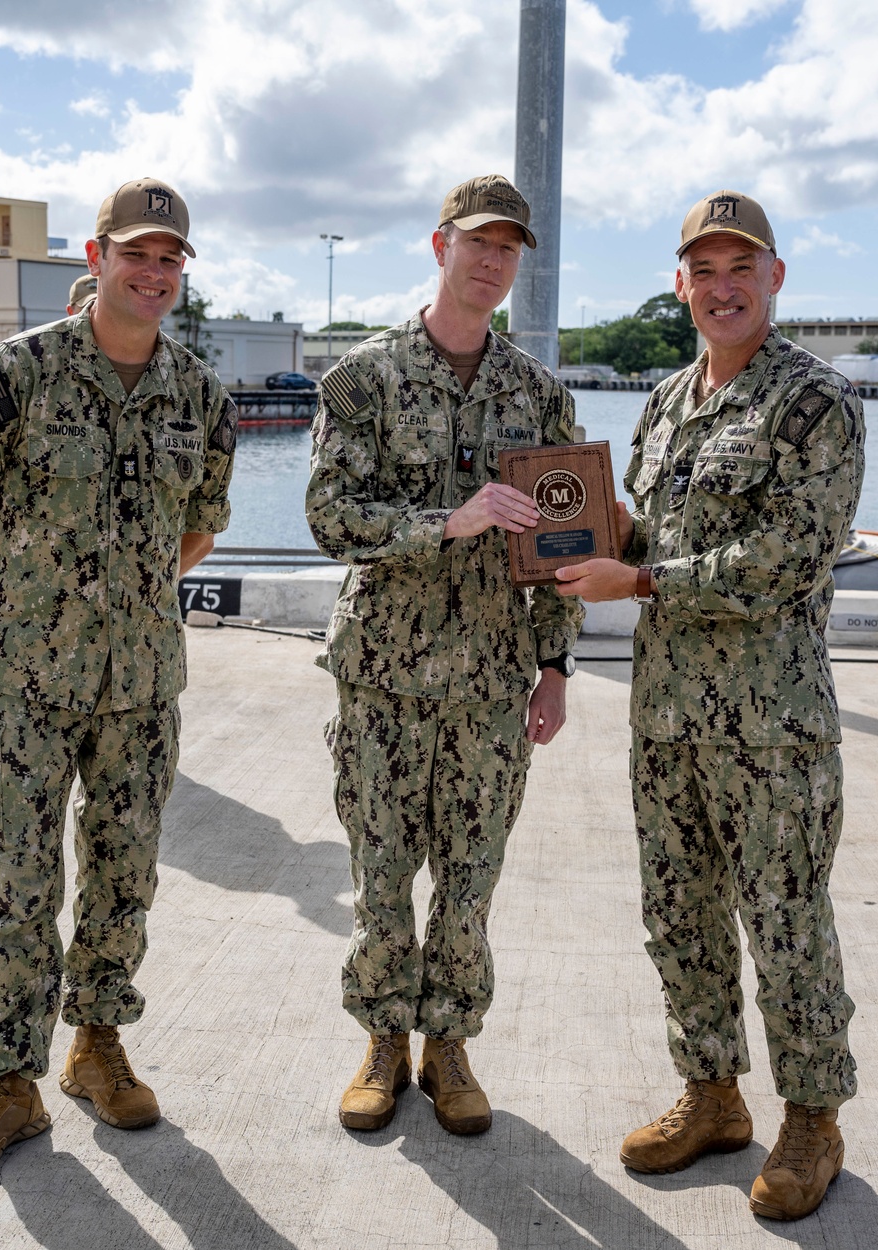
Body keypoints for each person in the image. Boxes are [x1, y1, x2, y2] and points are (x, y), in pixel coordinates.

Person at [554, 190, 865, 1221]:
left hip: (769, 726)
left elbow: (781, 561)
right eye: (703, 269)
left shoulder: (815, 399)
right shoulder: (665, 400)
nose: (721, 287)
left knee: (784, 924)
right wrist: (584, 534)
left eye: (742, 267)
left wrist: (635, 583)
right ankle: (713, 1093)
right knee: (678, 916)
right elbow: (660, 532)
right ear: (680, 283)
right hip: (668, 718)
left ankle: (811, 1115)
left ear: (775, 278)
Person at [0, 177, 237, 1180]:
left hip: (140, 686)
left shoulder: (200, 393)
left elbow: (199, 526)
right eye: (135, 253)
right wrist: (14, 609)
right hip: (25, 686)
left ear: (181, 272)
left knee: (122, 876)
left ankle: (96, 1045)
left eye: (170, 258)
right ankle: (6, 1080)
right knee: (16, 883)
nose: (153, 272)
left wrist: (129, 598)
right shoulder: (13, 375)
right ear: (94, 259)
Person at [306, 174, 584, 1136]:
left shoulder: (539, 395)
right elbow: (329, 518)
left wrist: (554, 669)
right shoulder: (363, 379)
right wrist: (448, 523)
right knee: (381, 874)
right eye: (479, 242)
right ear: (440, 246)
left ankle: (449, 1046)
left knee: (471, 881)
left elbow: (562, 549)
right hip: (382, 676)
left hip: (489, 685)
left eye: (510, 248)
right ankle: (382, 1041)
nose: (494, 261)